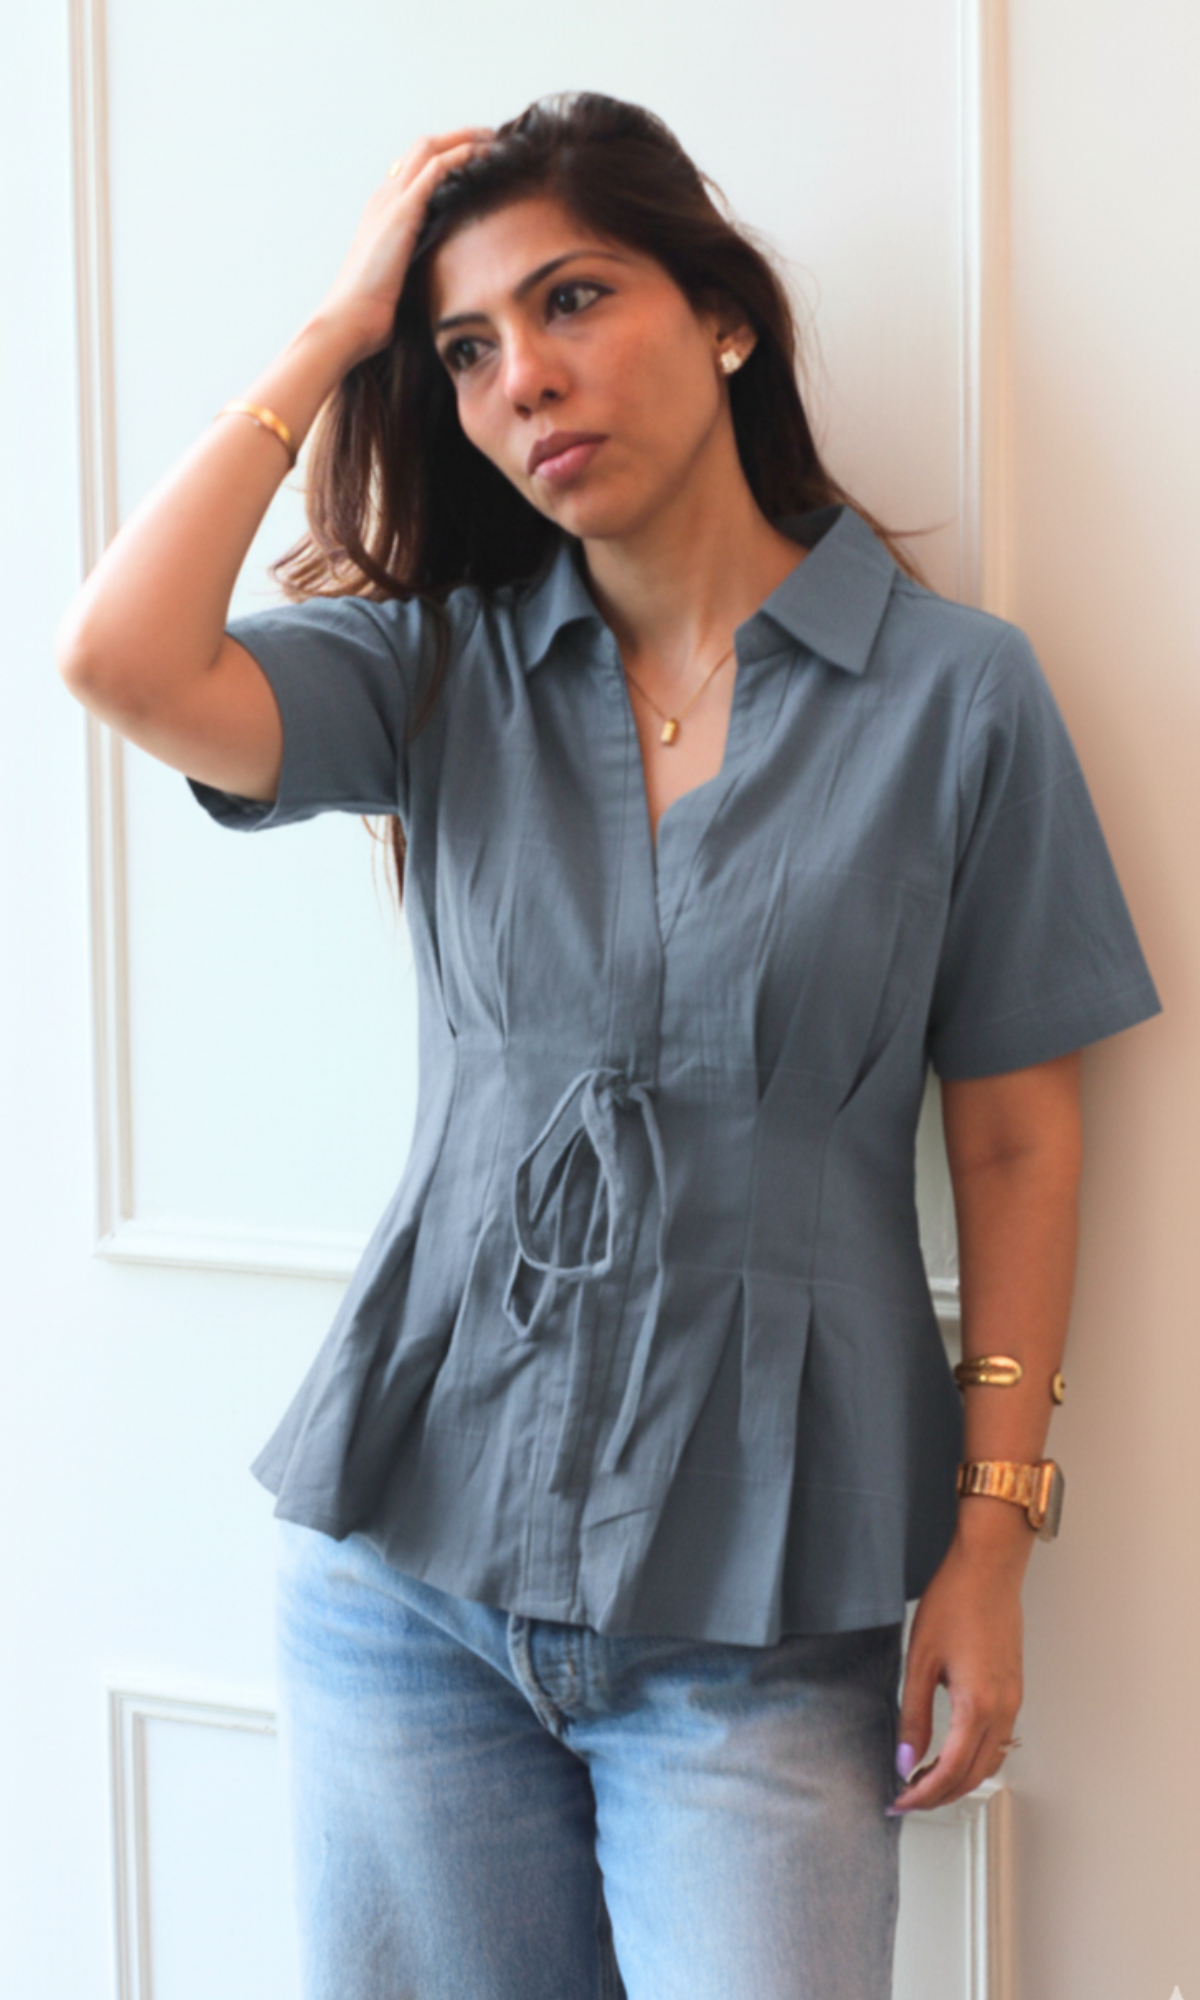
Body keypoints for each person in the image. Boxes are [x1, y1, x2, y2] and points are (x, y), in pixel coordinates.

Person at [57, 92, 1160, 2000]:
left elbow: (1018, 1148)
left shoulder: (957, 699)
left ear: (723, 312)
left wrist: (991, 1547)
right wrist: (334, 336)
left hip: (760, 1626)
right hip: (406, 1585)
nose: (525, 381)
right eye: (470, 350)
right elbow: (121, 662)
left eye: (575, 299)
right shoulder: (440, 671)